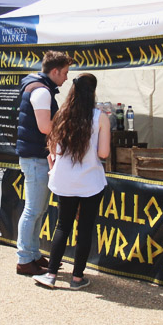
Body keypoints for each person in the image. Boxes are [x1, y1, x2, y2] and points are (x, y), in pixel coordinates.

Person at [33, 73, 110, 290]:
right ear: (93, 92)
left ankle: (51, 274)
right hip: (91, 181)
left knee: (62, 226)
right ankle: (77, 278)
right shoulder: (100, 117)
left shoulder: (61, 115)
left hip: (64, 180)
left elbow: (54, 150)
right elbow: (103, 153)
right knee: (84, 229)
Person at [14, 50, 72, 276]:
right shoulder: (41, 91)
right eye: (65, 73)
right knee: (33, 209)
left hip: (35, 156)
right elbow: (45, 127)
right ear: (55, 71)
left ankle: (33, 254)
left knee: (38, 209)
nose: (66, 78)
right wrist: (67, 126)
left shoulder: (39, 88)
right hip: (35, 157)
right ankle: (24, 259)